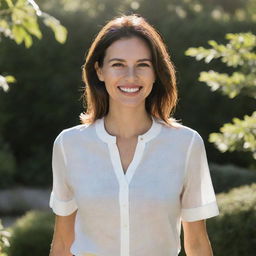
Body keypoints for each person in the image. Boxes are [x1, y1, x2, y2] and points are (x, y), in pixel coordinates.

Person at [49, 14, 220, 256]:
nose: (131, 76)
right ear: (99, 71)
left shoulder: (186, 144)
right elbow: (63, 244)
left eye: (143, 65)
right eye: (118, 64)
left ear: (155, 73)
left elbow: (197, 243)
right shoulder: (69, 145)